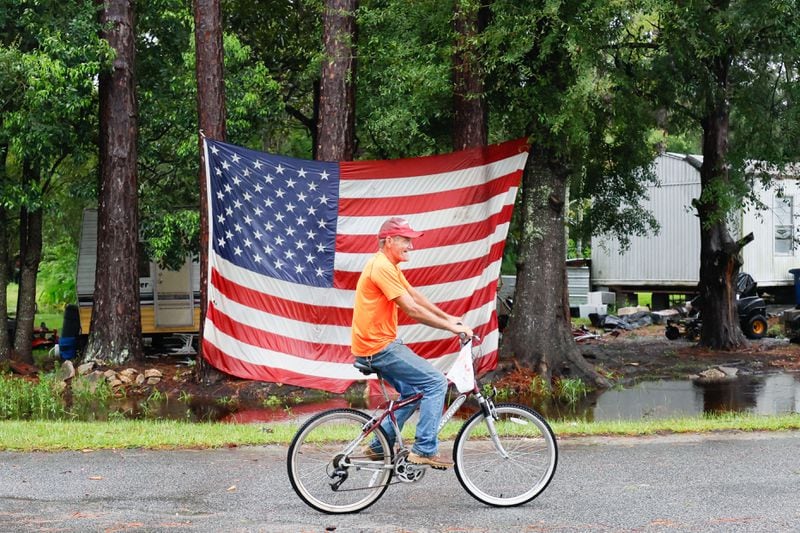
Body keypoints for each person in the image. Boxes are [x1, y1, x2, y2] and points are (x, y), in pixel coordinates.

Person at [351, 217, 473, 469]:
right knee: (436, 382)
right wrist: (451, 328)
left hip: (378, 345)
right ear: (388, 241)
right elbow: (411, 309)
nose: (411, 246)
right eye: (405, 240)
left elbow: (415, 295)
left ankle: (378, 446)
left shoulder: (388, 265)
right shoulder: (381, 267)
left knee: (415, 391)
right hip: (379, 348)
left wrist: (449, 317)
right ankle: (424, 449)